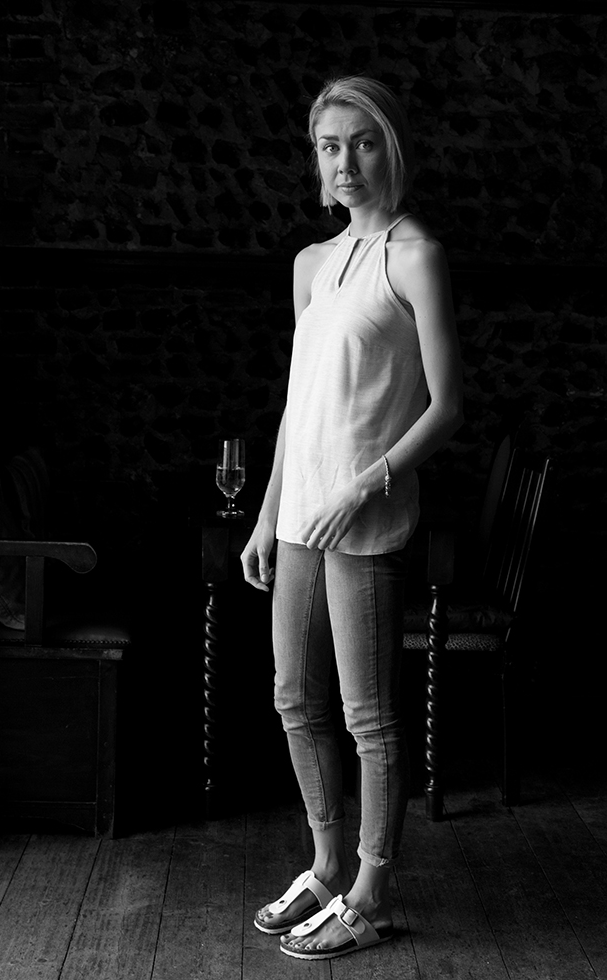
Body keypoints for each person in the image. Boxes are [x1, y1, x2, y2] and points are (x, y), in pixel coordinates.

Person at [240, 75, 463, 961]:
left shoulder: (414, 256)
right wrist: (266, 515)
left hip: (362, 520)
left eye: (361, 143)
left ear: (392, 147)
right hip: (296, 517)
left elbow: (447, 406)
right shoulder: (311, 262)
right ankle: (328, 864)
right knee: (294, 698)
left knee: (369, 718)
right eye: (329, 147)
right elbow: (298, 408)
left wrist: (358, 486)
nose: (344, 163)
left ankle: (371, 887)